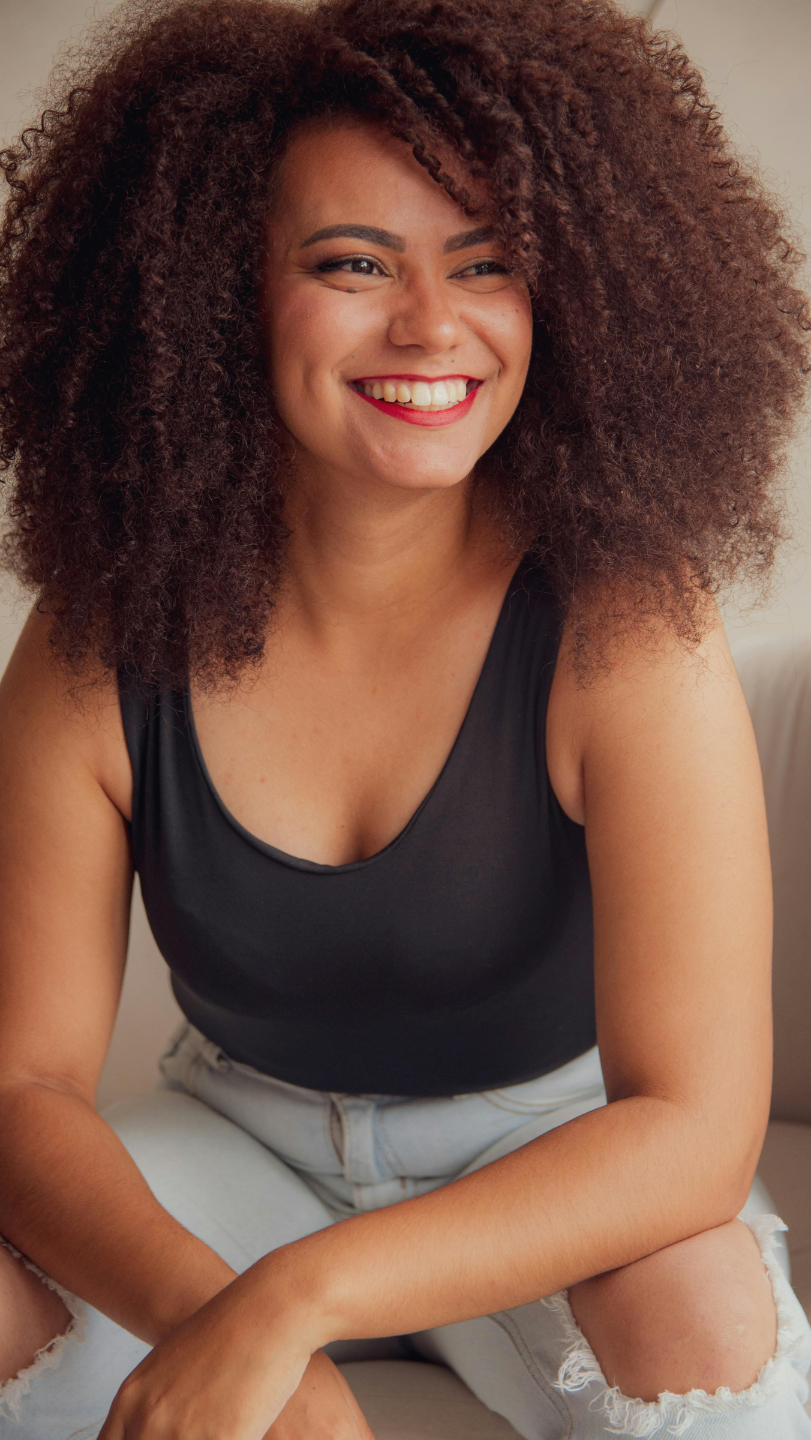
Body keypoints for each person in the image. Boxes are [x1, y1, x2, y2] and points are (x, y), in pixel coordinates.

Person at [0, 0, 809, 1434]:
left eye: (487, 263)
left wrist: (290, 1307)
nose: (435, 324)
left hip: (554, 1154)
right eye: (354, 262)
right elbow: (21, 1087)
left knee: (705, 1326)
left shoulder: (626, 623)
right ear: (214, 293)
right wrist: (221, 1327)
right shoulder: (101, 635)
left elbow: (691, 1131)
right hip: (239, 1140)